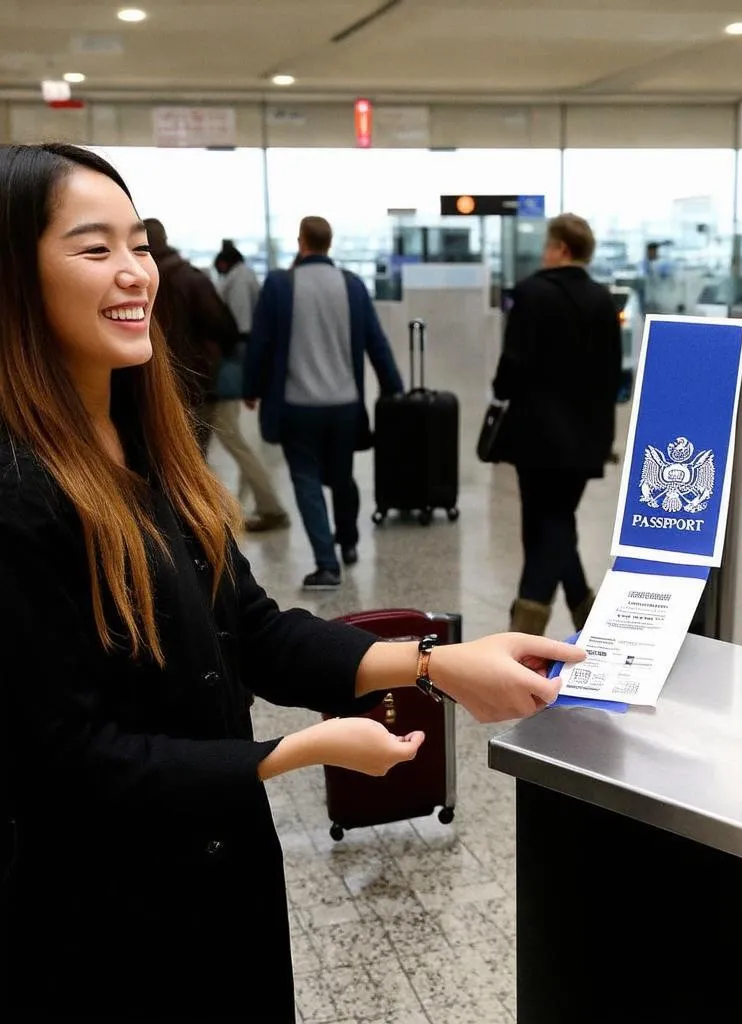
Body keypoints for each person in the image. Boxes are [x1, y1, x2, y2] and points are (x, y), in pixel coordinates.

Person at [0, 142, 584, 1023]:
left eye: (140, 245)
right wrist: (298, 752)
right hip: (101, 925)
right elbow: (67, 763)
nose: (134, 275)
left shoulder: (151, 447)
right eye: (94, 250)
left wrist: (438, 664)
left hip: (219, 884)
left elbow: (257, 631)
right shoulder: (17, 491)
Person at [246, 216, 403, 590]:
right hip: (345, 406)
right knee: (342, 475)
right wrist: (392, 388)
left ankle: (327, 565)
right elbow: (375, 342)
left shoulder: (280, 284)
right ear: (328, 244)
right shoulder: (351, 285)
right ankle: (347, 541)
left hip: (297, 406)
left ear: (301, 242)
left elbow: (261, 343)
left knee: (306, 482)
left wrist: (251, 388)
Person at [491, 213, 623, 636]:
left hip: (536, 438)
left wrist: (501, 386)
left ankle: (524, 632)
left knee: (545, 524)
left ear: (561, 249)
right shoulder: (604, 300)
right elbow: (611, 374)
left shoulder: (531, 294)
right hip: (585, 439)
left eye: (548, 246)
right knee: (557, 521)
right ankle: (587, 611)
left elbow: (512, 366)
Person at [211, 240, 290, 532]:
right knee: (236, 440)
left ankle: (267, 504)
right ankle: (249, 502)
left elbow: (241, 326)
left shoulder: (240, 278)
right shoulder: (242, 276)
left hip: (233, 362)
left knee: (233, 438)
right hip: (236, 362)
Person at [143, 216, 240, 450]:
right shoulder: (191, 279)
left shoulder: (136, 281)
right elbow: (224, 327)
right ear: (166, 240)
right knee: (194, 455)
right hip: (196, 380)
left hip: (148, 385)